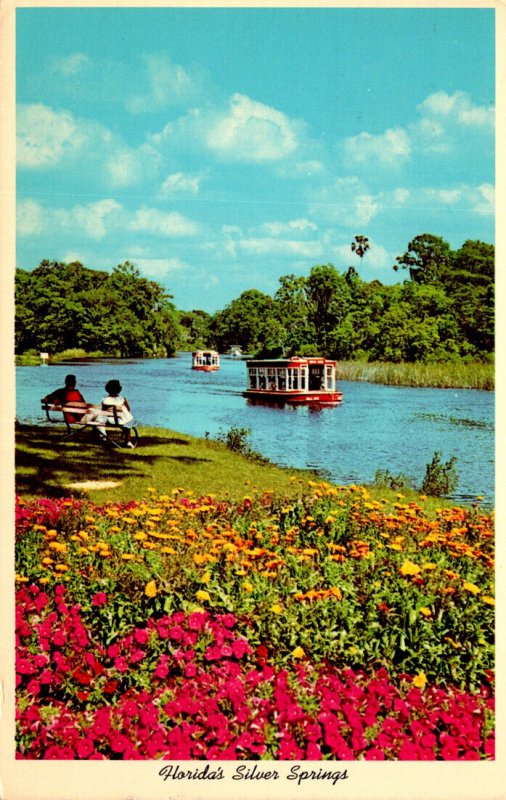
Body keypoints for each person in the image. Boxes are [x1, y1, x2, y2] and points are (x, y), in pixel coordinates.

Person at [82, 379, 135, 448]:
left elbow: (103, 410)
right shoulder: (123, 399)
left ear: (108, 389)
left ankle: (103, 437)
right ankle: (128, 441)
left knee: (99, 418)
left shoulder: (105, 400)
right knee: (127, 426)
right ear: (119, 389)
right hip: (121, 420)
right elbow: (128, 409)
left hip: (110, 419)